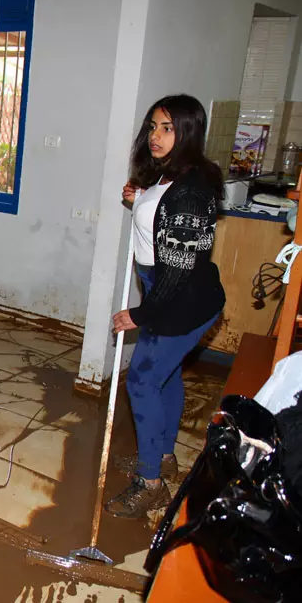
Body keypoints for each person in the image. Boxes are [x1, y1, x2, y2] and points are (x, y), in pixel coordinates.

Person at [105, 94, 226, 519]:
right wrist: (139, 197)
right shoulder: (168, 177)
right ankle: (164, 457)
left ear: (187, 133)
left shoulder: (191, 192)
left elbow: (176, 272)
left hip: (179, 298)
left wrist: (138, 315)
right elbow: (160, 221)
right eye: (153, 126)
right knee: (167, 377)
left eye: (168, 128)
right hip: (167, 288)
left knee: (140, 381)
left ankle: (150, 481)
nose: (156, 136)